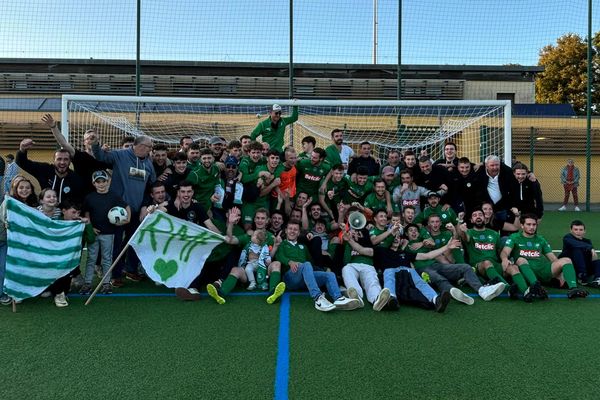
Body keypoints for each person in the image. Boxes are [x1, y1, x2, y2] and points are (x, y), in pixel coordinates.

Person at [92, 134, 156, 285]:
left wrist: (144, 206)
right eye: (149, 147)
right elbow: (101, 156)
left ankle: (131, 270)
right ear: (140, 146)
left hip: (137, 211)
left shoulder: (148, 164)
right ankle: (115, 275)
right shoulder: (120, 155)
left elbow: (151, 187)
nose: (150, 150)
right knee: (117, 244)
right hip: (119, 211)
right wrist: (95, 144)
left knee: (134, 242)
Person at [405, 223, 506, 305]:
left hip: (436, 265)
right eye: (411, 231)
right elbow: (425, 257)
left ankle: (481, 290)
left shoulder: (426, 243)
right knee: (437, 277)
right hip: (422, 269)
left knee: (465, 267)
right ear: (406, 234)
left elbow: (432, 254)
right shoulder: (406, 247)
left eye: (416, 231)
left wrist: (449, 242)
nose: (414, 232)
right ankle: (453, 291)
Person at [276, 221, 360, 312]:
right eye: (290, 229)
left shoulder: (303, 247)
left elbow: (311, 263)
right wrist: (289, 262)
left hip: (304, 279)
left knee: (329, 274)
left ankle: (338, 298)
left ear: (299, 232)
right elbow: (278, 256)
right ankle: (318, 298)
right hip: (290, 278)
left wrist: (324, 269)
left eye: (295, 229)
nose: (292, 231)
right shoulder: (282, 244)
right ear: (286, 231)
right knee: (306, 265)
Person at [501, 214, 588, 300]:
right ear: (522, 226)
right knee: (521, 259)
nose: (532, 227)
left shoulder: (541, 239)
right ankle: (536, 286)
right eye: (528, 224)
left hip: (542, 270)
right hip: (525, 271)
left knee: (566, 260)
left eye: (534, 225)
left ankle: (573, 288)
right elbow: (505, 251)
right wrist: (504, 259)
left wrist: (560, 273)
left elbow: (553, 259)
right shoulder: (515, 237)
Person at [459, 208, 530, 301]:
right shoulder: (469, 232)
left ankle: (526, 293)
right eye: (475, 215)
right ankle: (508, 288)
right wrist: (461, 226)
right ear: (471, 220)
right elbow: (464, 237)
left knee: (513, 267)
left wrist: (505, 260)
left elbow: (500, 251)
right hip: (479, 267)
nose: (478, 217)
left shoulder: (494, 234)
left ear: (485, 218)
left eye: (480, 215)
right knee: (487, 262)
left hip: (494, 265)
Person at [80, 170, 131, 296]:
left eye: (104, 181)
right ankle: (87, 283)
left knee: (107, 259)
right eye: (98, 182)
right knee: (91, 258)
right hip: (94, 234)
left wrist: (127, 219)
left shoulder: (114, 196)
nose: (101, 184)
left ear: (108, 182)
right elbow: (86, 213)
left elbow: (127, 207)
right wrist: (90, 227)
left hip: (109, 234)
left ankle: (106, 283)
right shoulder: (90, 197)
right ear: (94, 183)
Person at [16, 138, 85, 204]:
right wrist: (22, 150)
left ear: (70, 161)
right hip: (45, 212)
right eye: (59, 159)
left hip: (65, 214)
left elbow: (78, 200)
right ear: (54, 160)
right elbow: (23, 163)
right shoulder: (44, 170)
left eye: (66, 159)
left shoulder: (75, 178)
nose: (62, 162)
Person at [560, 220, 600, 287]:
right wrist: (590, 248)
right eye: (576, 229)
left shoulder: (587, 241)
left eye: (581, 230)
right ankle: (582, 276)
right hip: (571, 267)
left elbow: (593, 259)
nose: (578, 232)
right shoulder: (567, 238)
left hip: (585, 266)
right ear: (571, 230)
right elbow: (575, 244)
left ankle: (597, 279)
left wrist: (593, 254)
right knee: (577, 249)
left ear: (584, 231)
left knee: (598, 262)